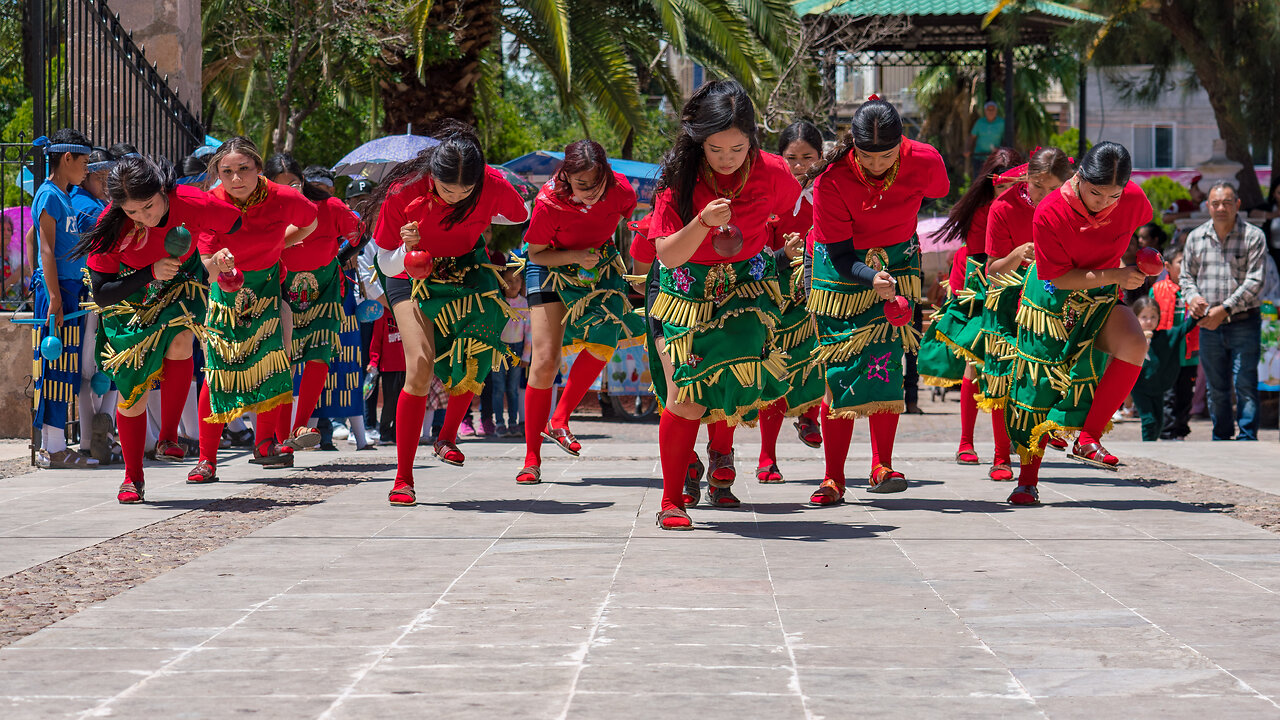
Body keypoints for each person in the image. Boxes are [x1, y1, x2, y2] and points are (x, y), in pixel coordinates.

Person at [648, 79, 801, 529]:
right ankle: (672, 498)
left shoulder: (773, 173)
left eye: (737, 148)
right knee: (685, 394)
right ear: (699, 141)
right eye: (716, 149)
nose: (728, 159)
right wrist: (701, 221)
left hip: (746, 290)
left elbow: (794, 212)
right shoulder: (678, 178)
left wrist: (787, 245)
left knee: (733, 379)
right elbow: (667, 254)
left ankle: (720, 457)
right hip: (682, 291)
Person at [362, 121, 530, 507]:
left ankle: (447, 436)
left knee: (482, 346)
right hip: (410, 273)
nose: (455, 197)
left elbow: (518, 213)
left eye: (465, 191)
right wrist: (408, 249)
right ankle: (403, 478)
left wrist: (482, 217)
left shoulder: (491, 184)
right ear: (431, 175)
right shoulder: (402, 193)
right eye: (446, 189)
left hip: (467, 270)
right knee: (419, 365)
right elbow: (386, 263)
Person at [72, 156, 242, 502]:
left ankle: (168, 438)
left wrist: (221, 255)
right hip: (127, 296)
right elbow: (102, 295)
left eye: (148, 207)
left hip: (179, 281)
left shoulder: (191, 201)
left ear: (163, 191)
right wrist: (149, 272)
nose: (144, 218)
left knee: (181, 338)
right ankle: (133, 477)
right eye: (133, 212)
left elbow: (236, 222)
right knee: (133, 390)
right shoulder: (113, 225)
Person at [806, 96, 949, 506]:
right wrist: (872, 277)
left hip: (899, 256)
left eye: (887, 156)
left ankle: (882, 465)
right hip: (841, 268)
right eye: (867, 157)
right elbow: (839, 255)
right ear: (852, 146)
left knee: (885, 361)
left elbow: (939, 189)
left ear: (902, 144)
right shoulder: (831, 180)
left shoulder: (925, 160)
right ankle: (833, 478)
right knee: (842, 365)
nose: (877, 165)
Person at [1005, 141, 1152, 505]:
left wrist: (1146, 262)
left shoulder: (1134, 199)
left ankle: (1088, 437)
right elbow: (1058, 277)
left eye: (1114, 195)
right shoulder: (1050, 212)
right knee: (1039, 386)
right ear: (1079, 177)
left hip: (1101, 296)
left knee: (1135, 343)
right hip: (1051, 301)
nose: (1104, 203)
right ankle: (1027, 480)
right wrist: (1117, 275)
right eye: (1096, 192)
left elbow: (1138, 236)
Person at [192, 137, 320, 482]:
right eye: (227, 171)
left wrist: (282, 244)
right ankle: (207, 460)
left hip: (266, 290)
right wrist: (218, 261)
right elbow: (206, 263)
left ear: (259, 169)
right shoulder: (210, 203)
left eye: (243, 170)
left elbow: (311, 221)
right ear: (218, 173)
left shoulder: (283, 197)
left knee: (271, 366)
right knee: (217, 373)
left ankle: (265, 445)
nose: (236, 179)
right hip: (225, 294)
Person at [519, 140, 639, 485]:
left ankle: (559, 419)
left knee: (606, 336)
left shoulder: (621, 191)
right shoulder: (547, 203)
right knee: (545, 360)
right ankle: (531, 458)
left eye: (596, 184)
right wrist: (575, 257)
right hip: (550, 267)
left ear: (607, 174)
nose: (589, 192)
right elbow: (537, 254)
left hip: (597, 267)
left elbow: (627, 220)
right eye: (580, 184)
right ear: (566, 177)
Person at [917, 147, 1021, 471]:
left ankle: (1006, 445)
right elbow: (985, 260)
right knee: (977, 365)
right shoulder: (983, 210)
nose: (1004, 190)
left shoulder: (1028, 205)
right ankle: (968, 443)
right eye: (998, 184)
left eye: (1011, 184)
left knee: (1014, 369)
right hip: (984, 286)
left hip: (1021, 284)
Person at [979, 147, 1074, 480]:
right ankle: (1001, 455)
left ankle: (1038, 445)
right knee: (1003, 377)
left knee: (1043, 379)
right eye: (1038, 187)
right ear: (1025, 178)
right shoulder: (1003, 208)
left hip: (1051, 302)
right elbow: (992, 270)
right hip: (1009, 304)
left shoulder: (1075, 207)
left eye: (1053, 189)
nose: (1046, 195)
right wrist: (1018, 254)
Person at [263, 153, 362, 449]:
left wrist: (340, 257)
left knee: (319, 354)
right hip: (281, 287)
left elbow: (359, 234)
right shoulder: (263, 211)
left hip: (325, 288)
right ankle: (281, 442)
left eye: (294, 183)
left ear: (303, 181)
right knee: (283, 362)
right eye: (280, 186)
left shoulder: (329, 206)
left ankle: (300, 427)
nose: (289, 191)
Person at [753, 120, 826, 485]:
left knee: (818, 357)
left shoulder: (830, 193)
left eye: (807, 158)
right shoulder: (768, 194)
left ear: (821, 157)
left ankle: (810, 413)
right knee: (776, 368)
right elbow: (757, 245)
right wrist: (784, 254)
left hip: (819, 287)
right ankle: (767, 456)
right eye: (791, 158)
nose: (799, 166)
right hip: (777, 291)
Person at [1181, 181, 1268, 441]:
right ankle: (1220, 438)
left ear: (1237, 205)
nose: (1221, 208)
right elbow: (1186, 277)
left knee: (1245, 383)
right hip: (1209, 324)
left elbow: (1256, 281)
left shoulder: (1254, 236)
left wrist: (1225, 308)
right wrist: (1193, 297)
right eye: (1216, 203)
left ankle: (1247, 438)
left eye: (1227, 203)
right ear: (1207, 206)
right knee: (1215, 387)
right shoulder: (1196, 237)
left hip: (1245, 321)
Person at [31, 130, 97, 469]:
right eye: (83, 161)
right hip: (57, 292)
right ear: (66, 159)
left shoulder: (65, 195)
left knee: (67, 367)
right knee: (54, 366)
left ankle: (56, 445)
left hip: (72, 288)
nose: (87, 168)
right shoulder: (48, 195)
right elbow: (45, 249)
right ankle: (52, 448)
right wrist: (55, 298)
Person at [70, 146, 123, 464]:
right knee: (95, 368)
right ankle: (95, 435)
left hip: (98, 291)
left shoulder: (96, 204)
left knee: (97, 370)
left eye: (108, 176)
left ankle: (96, 436)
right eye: (99, 176)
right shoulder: (91, 208)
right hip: (95, 293)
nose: (105, 182)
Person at [1129, 296, 1198, 441]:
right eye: (1144, 317)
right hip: (1139, 387)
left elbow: (1184, 328)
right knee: (1149, 421)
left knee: (1160, 423)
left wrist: (1196, 312)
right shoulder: (1131, 338)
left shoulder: (1166, 336)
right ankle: (1147, 448)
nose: (1149, 321)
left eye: (1153, 317)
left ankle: (1152, 446)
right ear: (1135, 318)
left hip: (1159, 387)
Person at [1149, 246, 1199, 440]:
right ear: (1167, 266)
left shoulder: (1194, 290)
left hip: (1189, 350)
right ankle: (1167, 431)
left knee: (1185, 393)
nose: (1185, 266)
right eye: (1181, 262)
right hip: (1166, 351)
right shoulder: (1157, 290)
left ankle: (1181, 429)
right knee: (1168, 393)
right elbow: (1151, 316)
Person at [965, 101, 1005, 179]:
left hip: (995, 159)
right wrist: (967, 149)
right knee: (978, 180)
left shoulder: (1002, 123)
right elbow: (972, 137)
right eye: (988, 110)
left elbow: (1006, 139)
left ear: (996, 111)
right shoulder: (979, 122)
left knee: (994, 181)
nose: (990, 112)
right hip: (979, 158)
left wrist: (1001, 149)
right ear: (985, 111)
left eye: (992, 110)